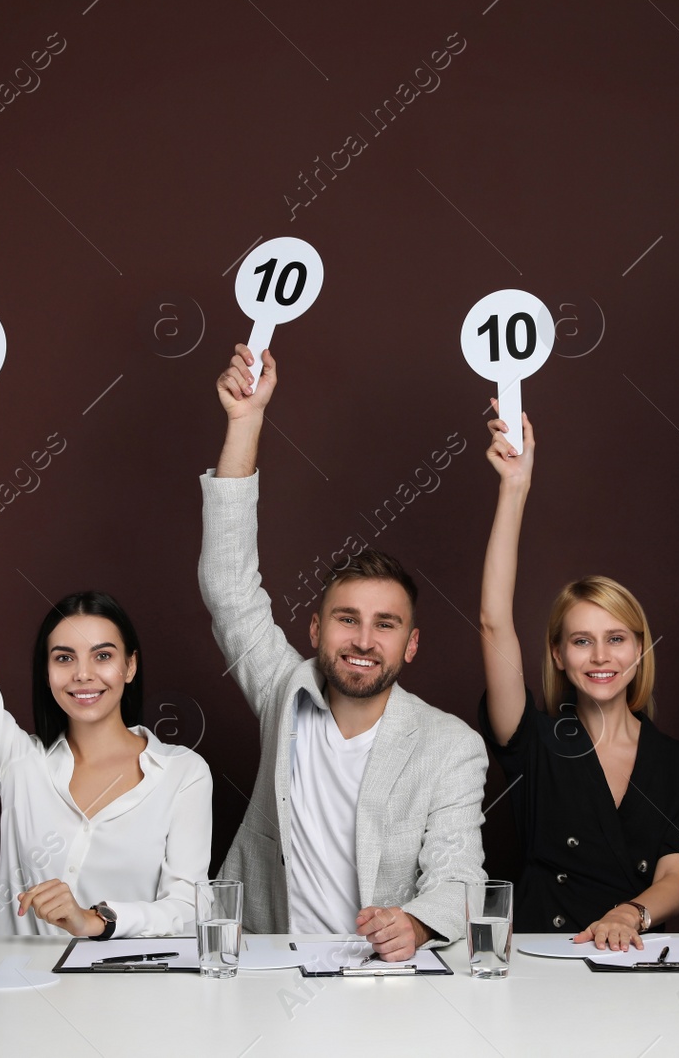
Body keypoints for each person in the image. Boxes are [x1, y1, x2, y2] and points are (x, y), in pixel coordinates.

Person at [199, 345, 487, 961]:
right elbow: (229, 587)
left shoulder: (450, 745)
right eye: (346, 619)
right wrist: (245, 423)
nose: (362, 640)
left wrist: (416, 922)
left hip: (381, 983)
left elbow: (462, 876)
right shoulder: (286, 691)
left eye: (385, 625)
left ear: (410, 645)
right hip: (263, 964)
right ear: (314, 630)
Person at [0, 420, 211, 937]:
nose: (82, 675)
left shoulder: (183, 775)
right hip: (12, 1003)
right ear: (47, 670)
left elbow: (189, 909)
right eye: (63, 658)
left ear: (130, 666)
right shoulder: (22, 765)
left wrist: (96, 920)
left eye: (102, 655)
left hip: (126, 1004)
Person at [477, 406, 679, 950]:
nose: (600, 656)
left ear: (640, 648)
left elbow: (674, 880)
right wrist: (515, 488)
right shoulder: (531, 739)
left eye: (616, 638)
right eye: (581, 640)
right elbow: (493, 621)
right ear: (558, 655)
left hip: (635, 956)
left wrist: (628, 916)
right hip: (540, 959)